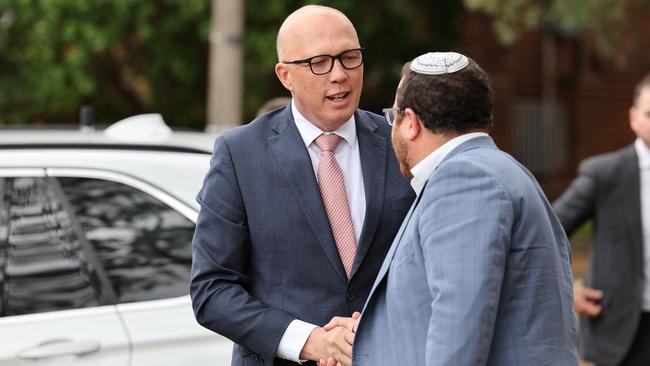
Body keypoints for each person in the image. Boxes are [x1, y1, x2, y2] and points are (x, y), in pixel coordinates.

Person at [190, 5, 415, 366]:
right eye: (319, 62)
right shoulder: (239, 155)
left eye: (350, 57)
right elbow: (211, 291)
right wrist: (307, 340)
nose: (339, 74)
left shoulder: (398, 144)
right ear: (285, 75)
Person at [322, 52, 579, 366]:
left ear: (411, 123)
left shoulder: (463, 180)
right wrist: (371, 336)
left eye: (394, 116)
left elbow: (459, 331)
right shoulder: (502, 170)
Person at [553, 73, 650, 366]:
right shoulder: (605, 174)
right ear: (633, 118)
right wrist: (565, 291)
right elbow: (545, 232)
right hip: (623, 331)